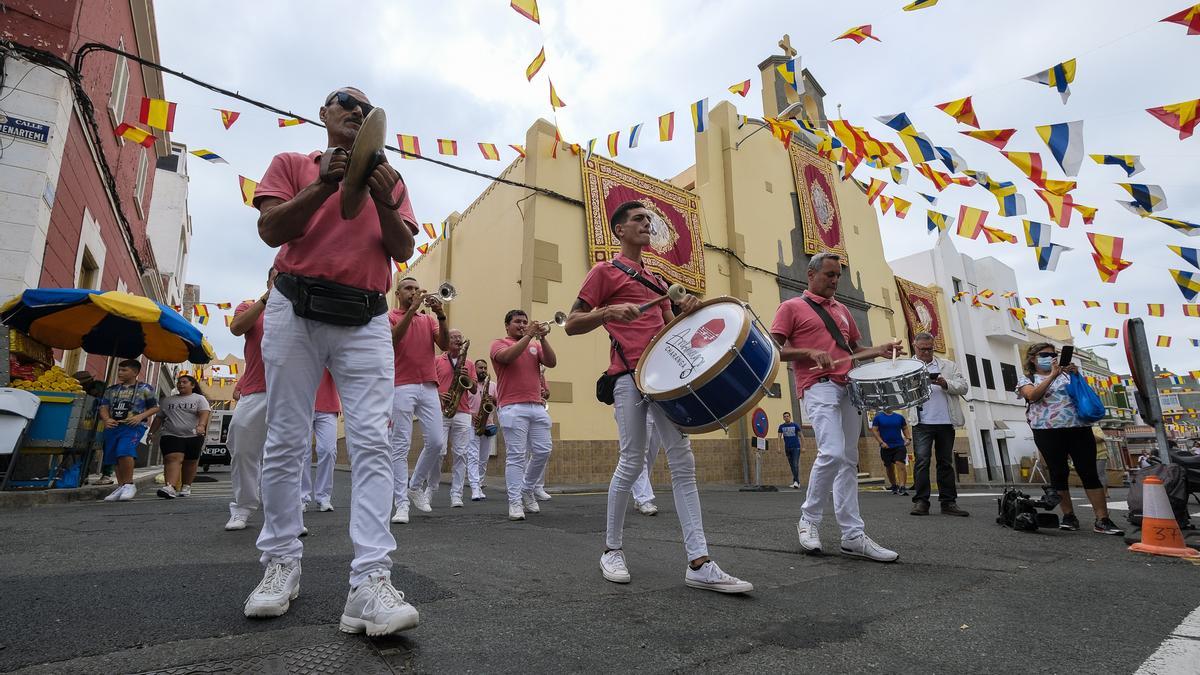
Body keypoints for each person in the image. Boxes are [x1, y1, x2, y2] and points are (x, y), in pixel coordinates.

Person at [246, 86, 420, 633]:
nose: (355, 110)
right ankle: (281, 564)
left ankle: (370, 581)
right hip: (295, 308)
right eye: (344, 101)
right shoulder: (293, 163)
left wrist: (384, 198)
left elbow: (402, 251)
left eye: (364, 108)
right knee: (286, 439)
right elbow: (272, 229)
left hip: (366, 317)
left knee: (372, 439)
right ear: (323, 114)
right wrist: (327, 183)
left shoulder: (391, 181)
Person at [565, 200, 753, 593]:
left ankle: (699, 562)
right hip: (627, 378)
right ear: (619, 230)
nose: (646, 225)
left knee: (683, 464)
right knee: (632, 460)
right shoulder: (604, 271)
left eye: (648, 220)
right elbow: (572, 323)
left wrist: (688, 311)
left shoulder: (657, 278)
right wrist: (609, 312)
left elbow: (672, 334)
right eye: (638, 220)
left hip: (664, 379)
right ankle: (611, 549)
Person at [770, 252, 903, 563]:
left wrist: (879, 350)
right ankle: (809, 519)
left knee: (848, 461)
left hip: (849, 388)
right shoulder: (790, 307)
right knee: (831, 452)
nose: (834, 280)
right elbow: (773, 348)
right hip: (817, 386)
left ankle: (852, 535)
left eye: (838, 276)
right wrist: (809, 352)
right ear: (811, 275)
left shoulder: (842, 309)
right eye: (829, 274)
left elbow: (854, 350)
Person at [1016, 342, 1123, 536]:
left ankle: (1102, 519)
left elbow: (1083, 395)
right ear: (1033, 358)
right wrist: (1052, 376)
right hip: (1047, 430)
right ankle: (1068, 516)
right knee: (1059, 473)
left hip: (1079, 428)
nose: (1050, 357)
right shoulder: (1027, 378)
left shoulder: (1068, 375)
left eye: (1053, 354)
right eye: (1044, 354)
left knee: (1089, 472)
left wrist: (1075, 375)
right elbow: (1032, 396)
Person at [388, 277, 450, 523]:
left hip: (428, 385)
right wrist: (412, 310)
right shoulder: (390, 316)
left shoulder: (428, 320)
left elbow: (445, 345)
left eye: (416, 288)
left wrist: (441, 316)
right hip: (401, 385)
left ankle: (414, 487)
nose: (414, 292)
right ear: (398, 293)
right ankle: (401, 504)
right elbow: (393, 339)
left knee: (437, 443)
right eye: (408, 289)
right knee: (400, 446)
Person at [490, 310, 557, 520]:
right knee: (516, 456)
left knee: (543, 451)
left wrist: (542, 338)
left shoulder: (534, 345)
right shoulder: (499, 343)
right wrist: (529, 335)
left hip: (536, 406)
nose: (522, 325)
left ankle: (528, 489)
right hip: (512, 406)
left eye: (525, 322)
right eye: (517, 322)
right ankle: (515, 502)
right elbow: (508, 358)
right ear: (507, 326)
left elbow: (552, 362)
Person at [226, 269, 275, 532]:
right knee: (242, 446)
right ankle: (243, 506)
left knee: (289, 454)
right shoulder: (251, 306)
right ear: (268, 281)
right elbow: (236, 328)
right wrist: (268, 298)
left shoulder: (302, 308)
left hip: (292, 391)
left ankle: (284, 514)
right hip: (256, 389)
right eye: (278, 276)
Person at [906, 333, 969, 516]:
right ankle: (921, 502)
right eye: (922, 349)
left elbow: (963, 387)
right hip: (921, 422)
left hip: (946, 421)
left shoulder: (948, 365)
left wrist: (944, 382)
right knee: (922, 462)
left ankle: (948, 502)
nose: (926, 352)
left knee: (945, 462)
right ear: (914, 346)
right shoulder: (907, 367)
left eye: (929, 348)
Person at [99, 359, 159, 502]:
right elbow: (103, 407)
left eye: (124, 370)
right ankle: (121, 486)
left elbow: (155, 407)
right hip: (114, 426)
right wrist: (107, 419)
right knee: (114, 455)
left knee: (124, 451)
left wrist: (140, 417)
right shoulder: (111, 390)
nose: (120, 373)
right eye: (119, 370)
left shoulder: (145, 388)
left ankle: (129, 484)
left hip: (133, 426)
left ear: (135, 372)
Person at [435, 329, 480, 507]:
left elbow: (474, 389)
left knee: (461, 454)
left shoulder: (468, 363)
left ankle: (457, 494)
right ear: (446, 341)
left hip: (463, 412)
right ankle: (431, 488)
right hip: (441, 411)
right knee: (438, 451)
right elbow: (430, 384)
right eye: (453, 337)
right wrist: (439, 394)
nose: (457, 340)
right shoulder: (437, 360)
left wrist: (467, 376)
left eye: (459, 338)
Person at [151, 374, 210, 499]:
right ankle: (170, 487)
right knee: (173, 458)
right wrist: (151, 433)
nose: (181, 384)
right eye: (179, 382)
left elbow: (204, 413)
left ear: (192, 385)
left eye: (184, 382)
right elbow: (159, 418)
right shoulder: (168, 400)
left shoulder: (199, 399)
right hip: (171, 434)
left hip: (193, 435)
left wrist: (201, 426)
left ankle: (186, 486)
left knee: (190, 461)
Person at [301, 371, 341, 513]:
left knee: (329, 450)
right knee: (302, 453)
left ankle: (323, 497)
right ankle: (301, 497)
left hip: (328, 403)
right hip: (303, 402)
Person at [75, 370, 115, 485]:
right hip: (89, 422)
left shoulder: (99, 387)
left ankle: (106, 474)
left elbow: (106, 402)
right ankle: (84, 474)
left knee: (108, 447)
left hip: (106, 422)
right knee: (88, 449)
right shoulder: (82, 390)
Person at [468, 358, 498, 493]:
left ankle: (479, 484)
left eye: (485, 368)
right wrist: (471, 414)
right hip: (471, 424)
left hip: (488, 424)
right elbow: (463, 405)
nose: (483, 370)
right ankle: (474, 487)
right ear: (475, 370)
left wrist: (494, 399)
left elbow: (500, 403)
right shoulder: (469, 385)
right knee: (473, 456)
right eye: (480, 368)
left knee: (484, 458)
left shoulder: (492, 385)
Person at [869, 409, 910, 496]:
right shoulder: (878, 417)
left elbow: (905, 428)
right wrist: (881, 442)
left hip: (899, 445)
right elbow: (874, 430)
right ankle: (894, 485)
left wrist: (908, 438)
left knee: (900, 464)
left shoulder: (899, 417)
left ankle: (902, 486)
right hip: (886, 446)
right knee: (889, 467)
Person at [630, 418, 663, 516]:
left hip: (658, 411)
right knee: (639, 456)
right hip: (640, 409)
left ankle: (640, 497)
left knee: (650, 456)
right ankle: (643, 499)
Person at [777, 412, 803, 489]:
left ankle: (797, 482)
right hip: (787, 448)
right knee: (792, 465)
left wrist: (803, 446)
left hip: (796, 448)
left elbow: (801, 436)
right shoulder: (781, 427)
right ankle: (796, 481)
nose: (786, 417)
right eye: (785, 416)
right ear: (783, 418)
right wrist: (778, 447)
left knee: (795, 464)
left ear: (790, 417)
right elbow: (779, 437)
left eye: (787, 416)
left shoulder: (795, 425)